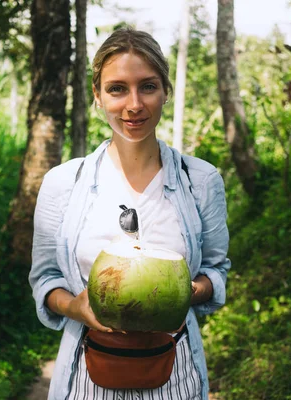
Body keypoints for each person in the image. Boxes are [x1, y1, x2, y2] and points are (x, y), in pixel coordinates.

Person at [29, 26, 230, 400]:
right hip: (85, 380)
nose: (134, 104)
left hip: (175, 377)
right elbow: (45, 280)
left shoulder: (201, 181)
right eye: (117, 88)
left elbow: (216, 272)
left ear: (165, 91)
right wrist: (75, 305)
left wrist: (185, 292)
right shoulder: (63, 184)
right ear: (97, 95)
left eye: (148, 86)